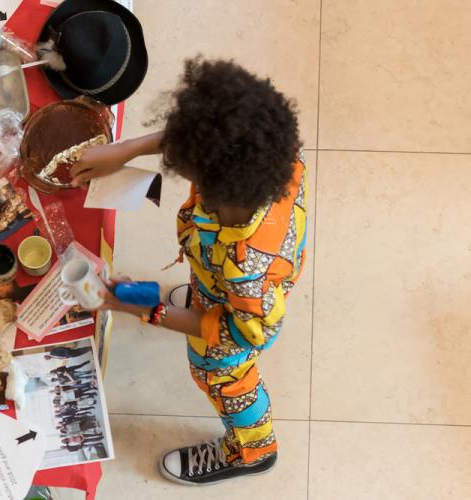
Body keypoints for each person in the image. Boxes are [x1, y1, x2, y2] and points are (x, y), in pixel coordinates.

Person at [71, 58, 307, 486]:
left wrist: (148, 311)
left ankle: (253, 448)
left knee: (219, 374)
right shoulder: (259, 154)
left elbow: (245, 331)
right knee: (205, 295)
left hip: (240, 319)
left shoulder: (244, 271)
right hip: (227, 276)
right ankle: (203, 297)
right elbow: (202, 135)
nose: (177, 165)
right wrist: (126, 149)